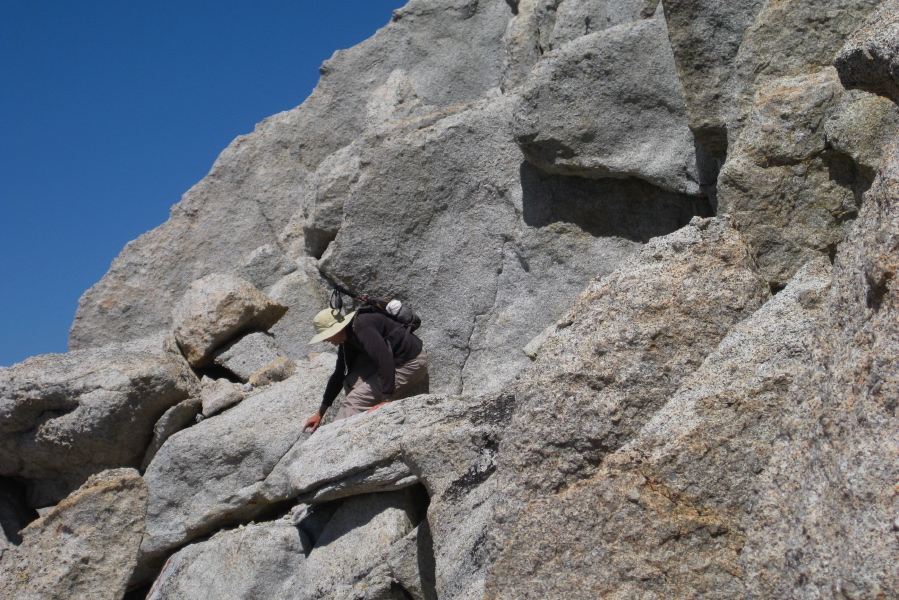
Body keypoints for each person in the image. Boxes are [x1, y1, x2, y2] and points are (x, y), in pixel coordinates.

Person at [302, 307, 428, 433]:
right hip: (394, 362)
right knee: (351, 382)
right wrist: (320, 413)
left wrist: (386, 399)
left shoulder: (362, 328)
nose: (325, 340)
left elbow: (385, 359)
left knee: (354, 401)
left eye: (326, 336)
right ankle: (359, 426)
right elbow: (339, 374)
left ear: (335, 330)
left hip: (411, 363)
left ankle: (334, 439)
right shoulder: (348, 337)